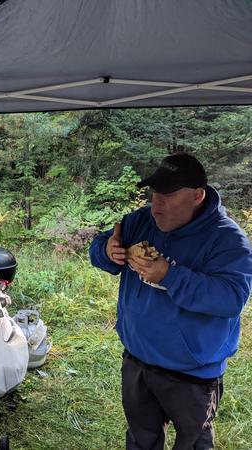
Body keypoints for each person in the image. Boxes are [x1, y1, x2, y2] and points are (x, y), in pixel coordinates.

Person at [89, 153, 252, 450]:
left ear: (197, 196)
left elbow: (230, 298)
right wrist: (106, 251)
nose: (157, 203)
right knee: (141, 439)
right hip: (138, 358)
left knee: (192, 443)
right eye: (154, 193)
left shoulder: (227, 240)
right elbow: (101, 247)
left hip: (191, 371)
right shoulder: (141, 221)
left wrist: (170, 275)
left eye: (169, 195)